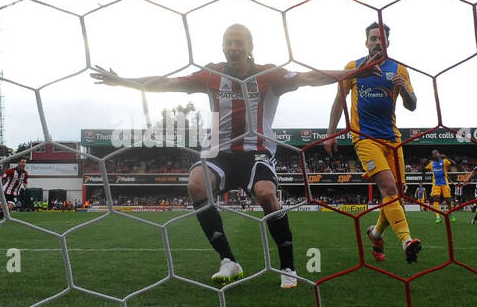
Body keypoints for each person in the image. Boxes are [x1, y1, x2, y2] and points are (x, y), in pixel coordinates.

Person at [92, 23, 379, 288]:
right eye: (228, 42)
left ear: (250, 47)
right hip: (218, 151)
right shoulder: (211, 74)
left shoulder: (269, 75)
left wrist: (355, 73)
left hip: (257, 151)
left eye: (239, 42)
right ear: (222, 47)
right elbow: (167, 83)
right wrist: (124, 82)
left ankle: (288, 267)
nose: (233, 47)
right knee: (195, 185)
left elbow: (309, 77)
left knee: (266, 194)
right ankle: (228, 260)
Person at [324, 22, 421, 264]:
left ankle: (375, 234)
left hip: (392, 139)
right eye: (373, 38)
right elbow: (339, 100)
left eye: (382, 38)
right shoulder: (354, 67)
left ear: (388, 42)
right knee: (389, 189)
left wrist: (404, 90)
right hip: (364, 137)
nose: (378, 42)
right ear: (366, 42)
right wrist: (331, 133)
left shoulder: (399, 69)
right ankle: (406, 240)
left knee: (394, 194)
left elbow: (412, 105)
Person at [0, 157, 28, 224]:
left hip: (14, 194)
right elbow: (1, 178)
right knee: (6, 208)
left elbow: (25, 181)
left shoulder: (25, 173)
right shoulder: (12, 171)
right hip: (6, 192)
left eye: (25, 162)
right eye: (22, 162)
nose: (24, 164)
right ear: (18, 163)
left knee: (9, 208)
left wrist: (25, 185)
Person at [422, 149, 456, 222]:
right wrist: (424, 162)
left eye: (436, 153)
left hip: (444, 183)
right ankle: (438, 217)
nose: (435, 154)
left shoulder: (444, 161)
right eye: (433, 154)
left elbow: (454, 163)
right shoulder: (431, 164)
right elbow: (424, 169)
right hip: (436, 184)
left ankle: (451, 214)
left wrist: (446, 157)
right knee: (435, 199)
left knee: (448, 201)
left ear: (439, 154)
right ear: (432, 156)